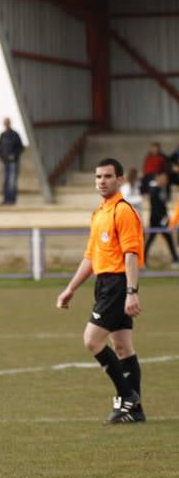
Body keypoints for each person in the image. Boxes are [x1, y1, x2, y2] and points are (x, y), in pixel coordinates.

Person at [56, 158, 145, 424]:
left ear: (120, 180)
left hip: (118, 284)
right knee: (122, 346)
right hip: (104, 284)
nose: (102, 181)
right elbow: (91, 257)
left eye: (108, 176)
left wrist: (131, 291)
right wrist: (70, 289)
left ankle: (126, 396)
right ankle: (135, 412)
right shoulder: (98, 214)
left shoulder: (123, 211)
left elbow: (131, 254)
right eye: (98, 177)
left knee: (92, 340)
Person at [144, 171, 179, 268]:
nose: (166, 181)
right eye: (163, 179)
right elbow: (156, 207)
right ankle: (142, 261)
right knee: (151, 240)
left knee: (169, 239)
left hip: (163, 219)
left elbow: (164, 205)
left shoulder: (163, 189)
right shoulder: (154, 190)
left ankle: (175, 260)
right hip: (156, 220)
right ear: (158, 179)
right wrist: (163, 219)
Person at [0, 117, 24, 205]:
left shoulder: (15, 134)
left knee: (12, 182)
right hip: (5, 162)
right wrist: (3, 158)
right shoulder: (2, 135)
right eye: (5, 123)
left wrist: (14, 156)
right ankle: (6, 200)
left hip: (13, 162)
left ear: (10, 123)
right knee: (5, 181)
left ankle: (12, 200)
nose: (6, 124)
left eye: (8, 123)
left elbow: (20, 147)